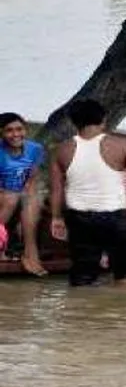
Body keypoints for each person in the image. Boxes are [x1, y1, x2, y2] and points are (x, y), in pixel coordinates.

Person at [49, 99, 126, 287]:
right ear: (104, 120)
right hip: (117, 216)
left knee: (83, 277)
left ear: (73, 122)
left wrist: (56, 218)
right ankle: (123, 313)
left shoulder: (60, 150)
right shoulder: (122, 145)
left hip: (79, 220)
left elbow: (56, 190)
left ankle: (80, 314)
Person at [0, 112, 47, 275]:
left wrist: (27, 197)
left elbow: (32, 179)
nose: (15, 134)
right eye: (9, 130)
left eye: (19, 129)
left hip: (20, 193)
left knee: (32, 201)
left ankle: (29, 254)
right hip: (4, 195)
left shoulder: (35, 149)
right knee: (11, 198)